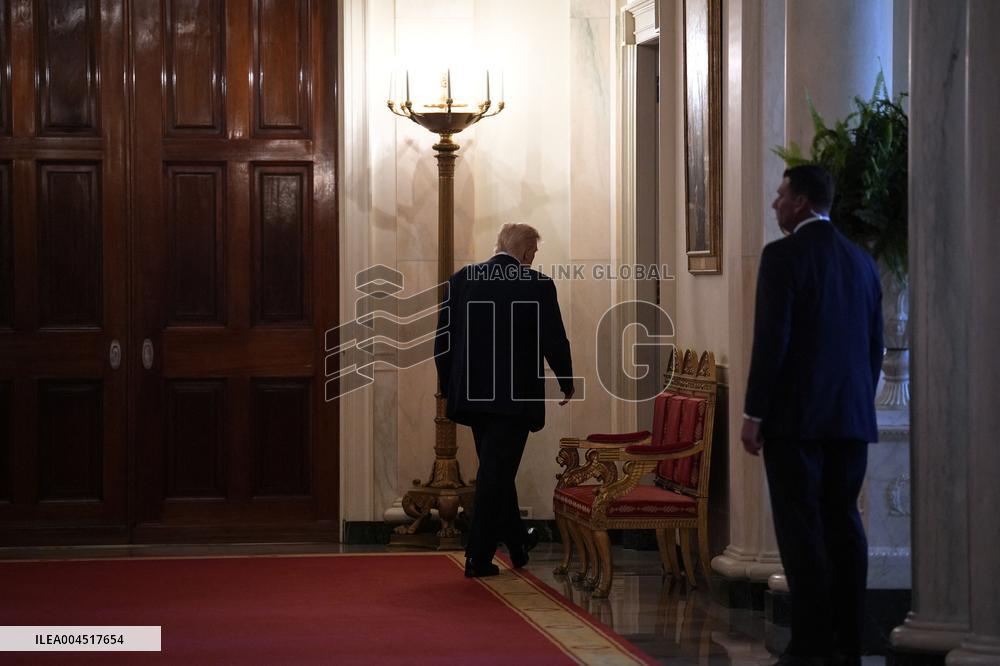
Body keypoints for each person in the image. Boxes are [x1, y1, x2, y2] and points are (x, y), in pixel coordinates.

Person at [741, 165, 884, 666]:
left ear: (801, 201)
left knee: (801, 532)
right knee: (844, 526)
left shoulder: (783, 256)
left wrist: (754, 412)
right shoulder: (861, 260)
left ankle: (809, 644)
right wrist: (857, 405)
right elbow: (874, 347)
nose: (775, 203)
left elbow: (773, 340)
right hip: (849, 420)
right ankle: (848, 643)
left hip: (795, 421)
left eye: (781, 194)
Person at [435, 223, 575, 578]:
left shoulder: (462, 279)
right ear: (527, 252)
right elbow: (553, 338)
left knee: (497, 471)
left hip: (472, 396)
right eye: (534, 253)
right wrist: (566, 380)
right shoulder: (538, 285)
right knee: (495, 473)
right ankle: (478, 557)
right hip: (514, 399)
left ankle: (517, 541)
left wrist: (450, 387)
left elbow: (443, 342)